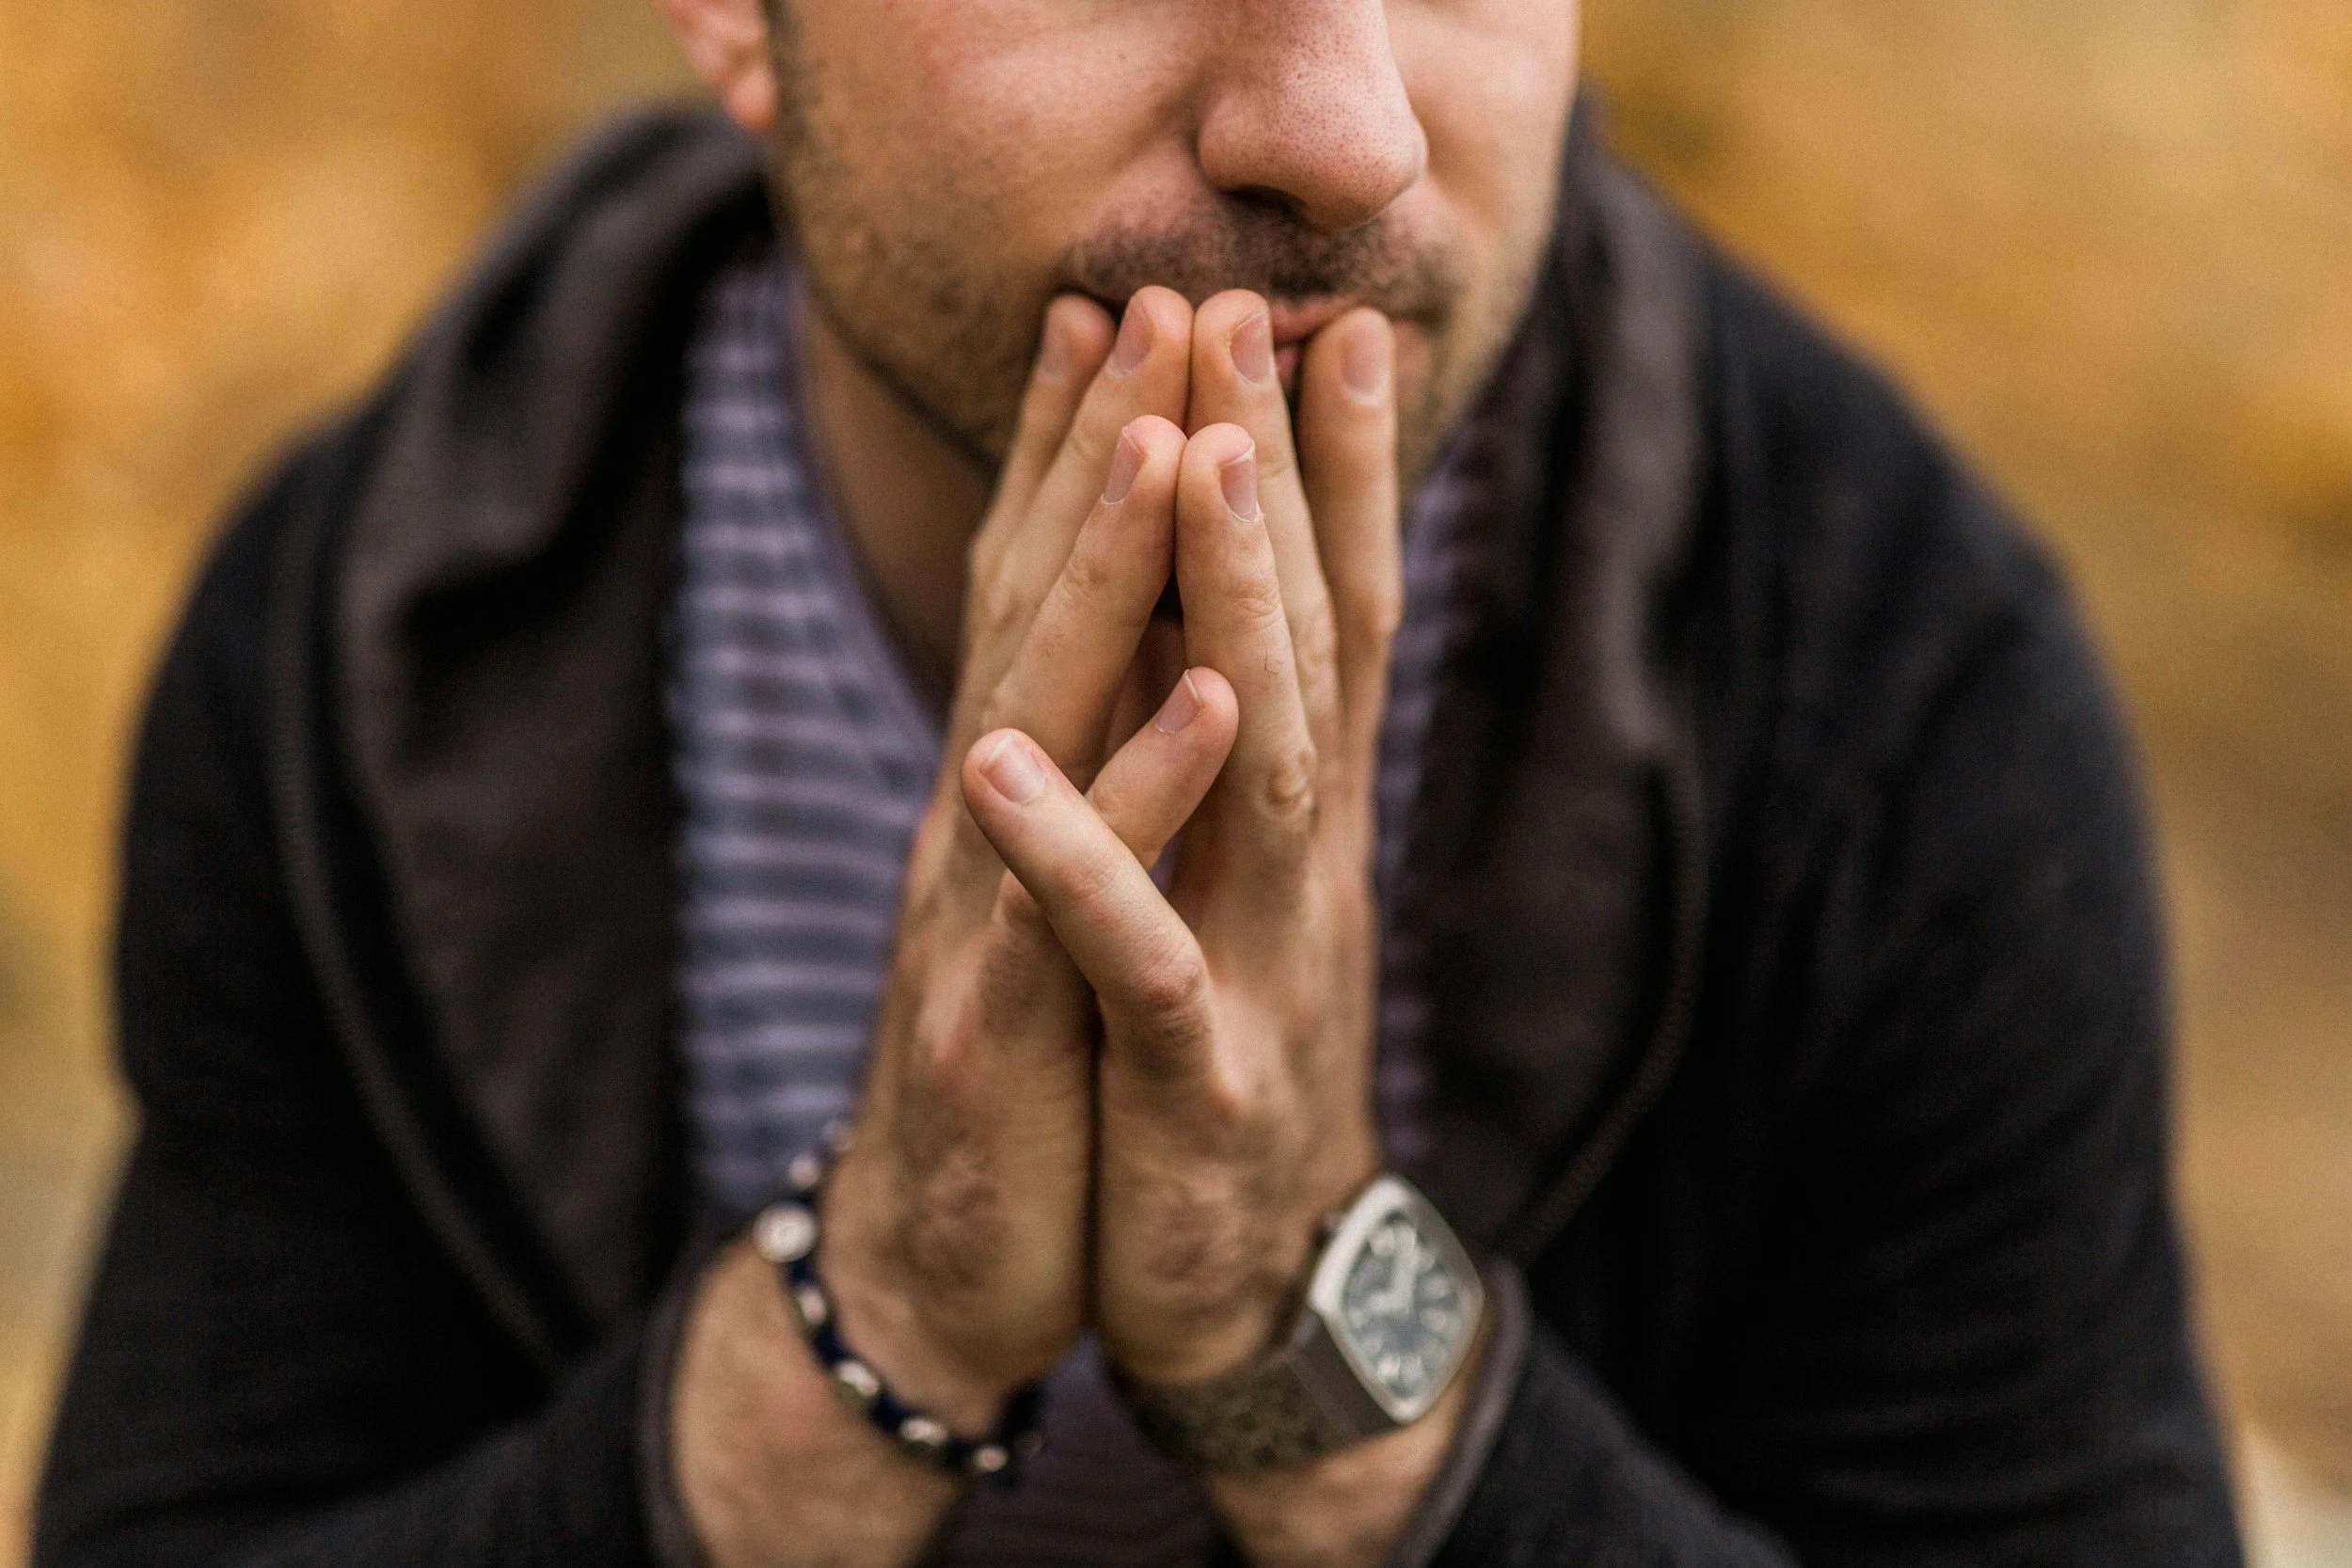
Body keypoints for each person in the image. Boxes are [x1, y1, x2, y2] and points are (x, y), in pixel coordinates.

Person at [35, 1, 2244, 1564]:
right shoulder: (401, 616)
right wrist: (862, 1324)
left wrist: (1314, 1325)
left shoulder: (1870, 667)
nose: (1346, 127)